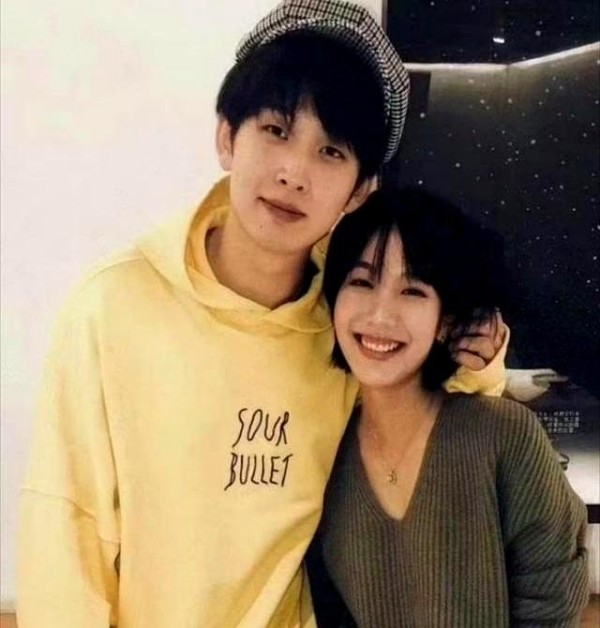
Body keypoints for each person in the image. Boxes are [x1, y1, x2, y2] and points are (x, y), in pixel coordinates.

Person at [17, 2, 507, 627]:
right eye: (276, 130)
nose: (294, 173)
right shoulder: (113, 306)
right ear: (227, 136)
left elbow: (440, 411)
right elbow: (66, 532)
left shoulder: (350, 324)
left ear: (360, 190)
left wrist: (482, 359)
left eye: (331, 151)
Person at [308, 187, 589, 627]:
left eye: (413, 290)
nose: (380, 315)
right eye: (361, 282)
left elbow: (552, 602)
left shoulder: (505, 436)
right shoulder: (322, 459)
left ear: (447, 320)